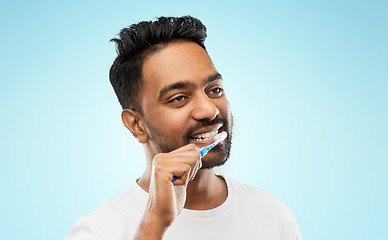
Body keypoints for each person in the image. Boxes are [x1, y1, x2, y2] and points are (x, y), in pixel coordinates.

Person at [65, 16, 302, 240]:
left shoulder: (274, 215)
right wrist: (154, 225)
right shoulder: (97, 231)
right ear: (136, 125)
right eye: (179, 98)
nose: (209, 110)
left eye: (215, 90)